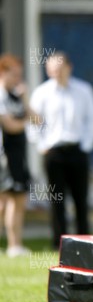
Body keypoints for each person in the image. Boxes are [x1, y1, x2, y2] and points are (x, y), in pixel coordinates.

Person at [29, 52, 93, 250]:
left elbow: (92, 121)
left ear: (69, 67)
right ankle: (59, 244)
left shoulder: (84, 90)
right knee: (56, 200)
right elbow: (34, 122)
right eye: (52, 70)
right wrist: (42, 145)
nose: (56, 74)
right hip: (54, 154)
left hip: (77, 151)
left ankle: (84, 244)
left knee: (81, 199)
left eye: (59, 69)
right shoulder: (42, 93)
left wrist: (85, 146)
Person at [0, 54, 32, 257]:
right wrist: (26, 121)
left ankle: (14, 245)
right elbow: (10, 126)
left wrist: (25, 98)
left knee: (15, 199)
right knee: (8, 200)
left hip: (18, 156)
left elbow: (36, 117)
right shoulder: (1, 96)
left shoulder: (15, 95)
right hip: (5, 157)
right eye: (15, 74)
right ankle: (13, 245)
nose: (18, 78)